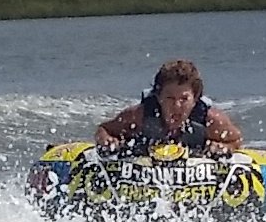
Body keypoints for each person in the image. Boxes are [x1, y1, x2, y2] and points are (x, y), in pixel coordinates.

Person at [98, 54, 243, 156]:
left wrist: (225, 147)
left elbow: (236, 140)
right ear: (159, 96)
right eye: (169, 98)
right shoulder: (139, 116)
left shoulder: (211, 120)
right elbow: (104, 129)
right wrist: (108, 140)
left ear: (195, 98)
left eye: (184, 99)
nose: (177, 105)